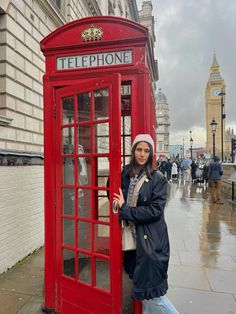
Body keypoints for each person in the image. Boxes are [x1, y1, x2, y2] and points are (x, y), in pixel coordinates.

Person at [114, 134, 179, 314]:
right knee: (145, 292)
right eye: (139, 149)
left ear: (151, 154)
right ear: (133, 151)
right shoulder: (126, 174)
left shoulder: (158, 179)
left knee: (153, 296)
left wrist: (126, 210)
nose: (142, 154)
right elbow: (113, 191)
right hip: (131, 241)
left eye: (146, 150)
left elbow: (155, 210)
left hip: (151, 242)